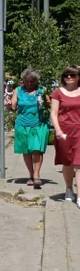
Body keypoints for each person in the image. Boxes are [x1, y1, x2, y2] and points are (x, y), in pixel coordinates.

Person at [11, 68, 49, 189]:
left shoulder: (42, 90)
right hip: (22, 124)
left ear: (36, 81)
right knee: (26, 151)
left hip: (39, 124)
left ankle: (37, 175)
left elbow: (50, 104)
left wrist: (46, 103)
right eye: (27, 81)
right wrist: (9, 105)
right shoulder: (18, 90)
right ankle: (31, 174)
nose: (29, 83)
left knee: (37, 149)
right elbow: (13, 105)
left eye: (32, 81)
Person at [51, 66, 80, 205]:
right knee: (68, 163)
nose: (69, 77)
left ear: (78, 77)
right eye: (66, 75)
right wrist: (58, 130)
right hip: (65, 131)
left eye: (73, 75)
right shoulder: (58, 93)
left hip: (79, 130)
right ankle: (69, 189)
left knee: (79, 163)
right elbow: (54, 114)